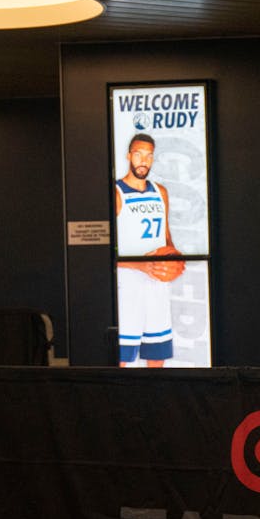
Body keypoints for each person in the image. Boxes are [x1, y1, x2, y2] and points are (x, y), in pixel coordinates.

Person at [114, 132, 184, 366]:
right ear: (128, 156)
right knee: (122, 358)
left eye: (149, 156)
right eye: (138, 154)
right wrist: (139, 264)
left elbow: (167, 237)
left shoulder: (160, 192)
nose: (143, 160)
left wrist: (174, 258)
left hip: (157, 285)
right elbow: (103, 252)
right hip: (127, 285)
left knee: (157, 356)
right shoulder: (115, 193)